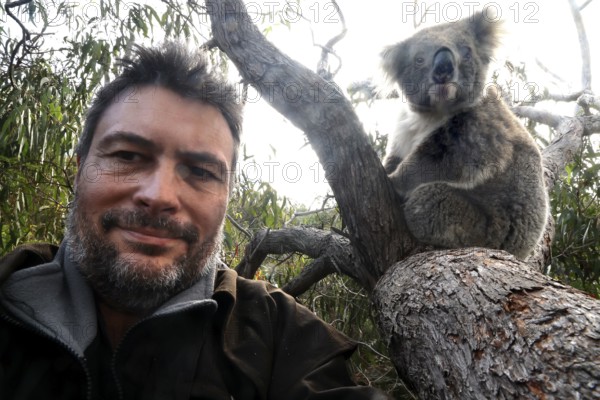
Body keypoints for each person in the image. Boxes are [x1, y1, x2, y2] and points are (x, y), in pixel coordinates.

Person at [0, 42, 389, 399]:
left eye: (201, 172)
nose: (159, 196)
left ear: (226, 196)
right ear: (80, 168)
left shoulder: (284, 337)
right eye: (127, 156)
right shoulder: (8, 295)